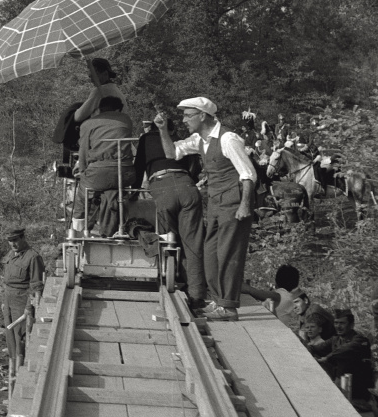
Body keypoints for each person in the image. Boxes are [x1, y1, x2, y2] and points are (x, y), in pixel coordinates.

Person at [157, 97, 256, 320]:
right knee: (210, 254)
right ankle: (217, 300)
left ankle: (228, 307)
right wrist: (163, 130)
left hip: (233, 202)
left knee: (228, 254)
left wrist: (245, 205)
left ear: (202, 116)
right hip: (215, 203)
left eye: (188, 115)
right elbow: (172, 153)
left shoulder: (228, 139)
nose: (184, 120)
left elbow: (248, 175)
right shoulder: (200, 140)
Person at [134, 111, 206, 310]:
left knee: (169, 240)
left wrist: (131, 195)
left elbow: (138, 168)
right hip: (187, 187)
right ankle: (197, 295)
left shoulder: (146, 140)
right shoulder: (181, 141)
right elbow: (194, 167)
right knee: (193, 243)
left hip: (162, 187)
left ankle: (173, 283)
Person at [76, 96, 134, 236]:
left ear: (99, 109)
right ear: (118, 109)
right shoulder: (126, 120)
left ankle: (78, 231)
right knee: (114, 192)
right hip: (125, 174)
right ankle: (114, 227)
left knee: (81, 196)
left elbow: (83, 151)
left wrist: (83, 171)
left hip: (98, 173)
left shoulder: (88, 124)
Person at [308, 308, 373, 400]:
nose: (338, 326)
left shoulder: (360, 340)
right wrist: (311, 354)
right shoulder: (335, 340)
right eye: (336, 323)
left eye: (342, 323)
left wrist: (327, 358)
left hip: (358, 397)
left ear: (351, 325)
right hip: (341, 392)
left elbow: (345, 350)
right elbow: (313, 348)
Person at [1, 228, 44, 369]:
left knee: (21, 335)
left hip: (21, 300)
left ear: (23, 238)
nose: (13, 244)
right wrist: (4, 301)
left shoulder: (33, 257)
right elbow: (7, 280)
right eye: (10, 241)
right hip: (8, 299)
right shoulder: (11, 254)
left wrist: (28, 307)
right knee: (10, 334)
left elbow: (36, 285)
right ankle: (13, 364)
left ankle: (23, 367)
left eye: (15, 240)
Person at [241, 264, 301, 329]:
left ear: (277, 280)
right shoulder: (290, 296)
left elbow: (258, 293)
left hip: (275, 330)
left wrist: (242, 286)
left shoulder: (281, 295)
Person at [73, 57, 125, 124]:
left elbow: (78, 117)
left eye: (96, 74)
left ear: (105, 74)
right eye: (91, 75)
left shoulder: (100, 92)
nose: (91, 78)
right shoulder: (116, 90)